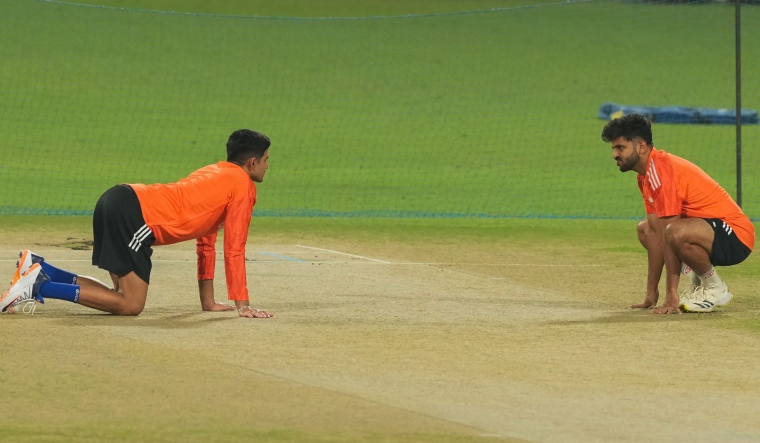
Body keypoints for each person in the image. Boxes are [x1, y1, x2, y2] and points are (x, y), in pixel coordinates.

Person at [1, 129, 273, 319]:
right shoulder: (242, 185)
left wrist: (208, 302)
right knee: (131, 305)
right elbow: (234, 248)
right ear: (253, 162)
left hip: (117, 198)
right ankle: (39, 286)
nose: (267, 166)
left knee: (118, 294)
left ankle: (41, 269)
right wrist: (243, 305)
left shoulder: (214, 171)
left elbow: (206, 242)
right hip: (134, 215)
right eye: (266, 160)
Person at [602, 114, 754, 314]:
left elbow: (669, 233)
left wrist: (671, 294)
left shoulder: (662, 171)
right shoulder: (645, 176)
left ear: (641, 146)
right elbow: (656, 233)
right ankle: (698, 283)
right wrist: (651, 292)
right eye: (614, 148)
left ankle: (715, 288)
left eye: (620, 147)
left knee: (674, 231)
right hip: (707, 231)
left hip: (736, 235)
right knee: (646, 230)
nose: (615, 154)